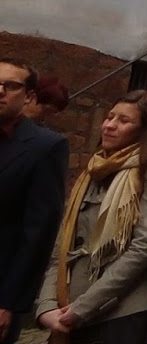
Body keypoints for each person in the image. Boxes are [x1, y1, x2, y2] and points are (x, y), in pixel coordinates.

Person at [34, 90, 147, 344]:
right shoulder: (93, 170)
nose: (109, 125)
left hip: (118, 314)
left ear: (144, 131)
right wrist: (46, 306)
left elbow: (145, 247)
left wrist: (84, 308)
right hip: (68, 306)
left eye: (124, 121)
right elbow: (62, 247)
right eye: (109, 117)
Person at [0, 59, 68, 344]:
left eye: (10, 86)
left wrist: (9, 303)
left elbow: (37, 235)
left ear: (28, 96)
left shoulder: (45, 147)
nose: (0, 90)